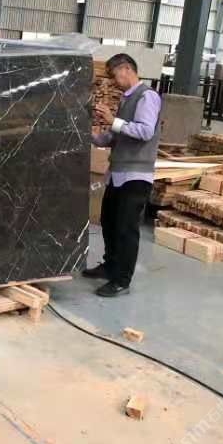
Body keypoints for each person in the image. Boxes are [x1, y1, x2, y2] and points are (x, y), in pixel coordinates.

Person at [84, 53, 161, 297]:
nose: (113, 81)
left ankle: (122, 280)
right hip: (117, 173)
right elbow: (116, 135)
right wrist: (92, 136)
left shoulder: (147, 96)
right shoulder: (127, 99)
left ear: (126, 69)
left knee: (126, 229)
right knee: (109, 222)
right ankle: (110, 266)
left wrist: (113, 120)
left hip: (136, 175)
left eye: (114, 75)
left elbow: (145, 131)